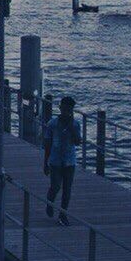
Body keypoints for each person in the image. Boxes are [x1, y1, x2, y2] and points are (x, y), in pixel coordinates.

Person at [44, 96, 82, 226]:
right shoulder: (52, 124)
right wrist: (45, 162)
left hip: (69, 161)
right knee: (55, 186)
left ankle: (63, 214)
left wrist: (72, 129)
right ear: (60, 108)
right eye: (64, 109)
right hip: (55, 160)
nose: (66, 112)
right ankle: (49, 202)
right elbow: (47, 144)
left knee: (67, 189)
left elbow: (78, 142)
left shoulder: (76, 124)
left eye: (69, 110)